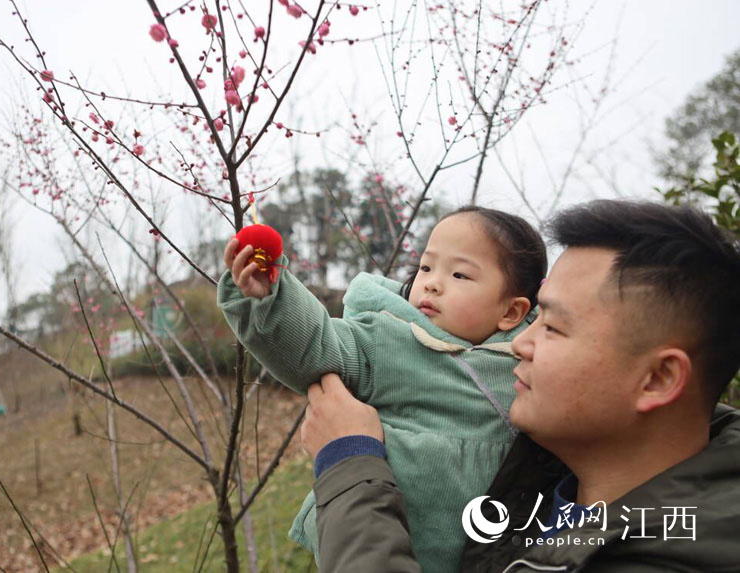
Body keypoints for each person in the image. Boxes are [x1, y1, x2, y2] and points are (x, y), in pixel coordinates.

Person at [302, 200, 740, 572]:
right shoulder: (538, 481)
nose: (520, 345)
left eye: (552, 328)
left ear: (658, 379)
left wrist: (350, 465)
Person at [217, 206, 547, 571]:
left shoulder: (530, 360)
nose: (432, 283)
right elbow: (317, 346)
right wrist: (271, 299)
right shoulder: (387, 338)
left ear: (512, 312)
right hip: (385, 534)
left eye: (459, 274)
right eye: (426, 267)